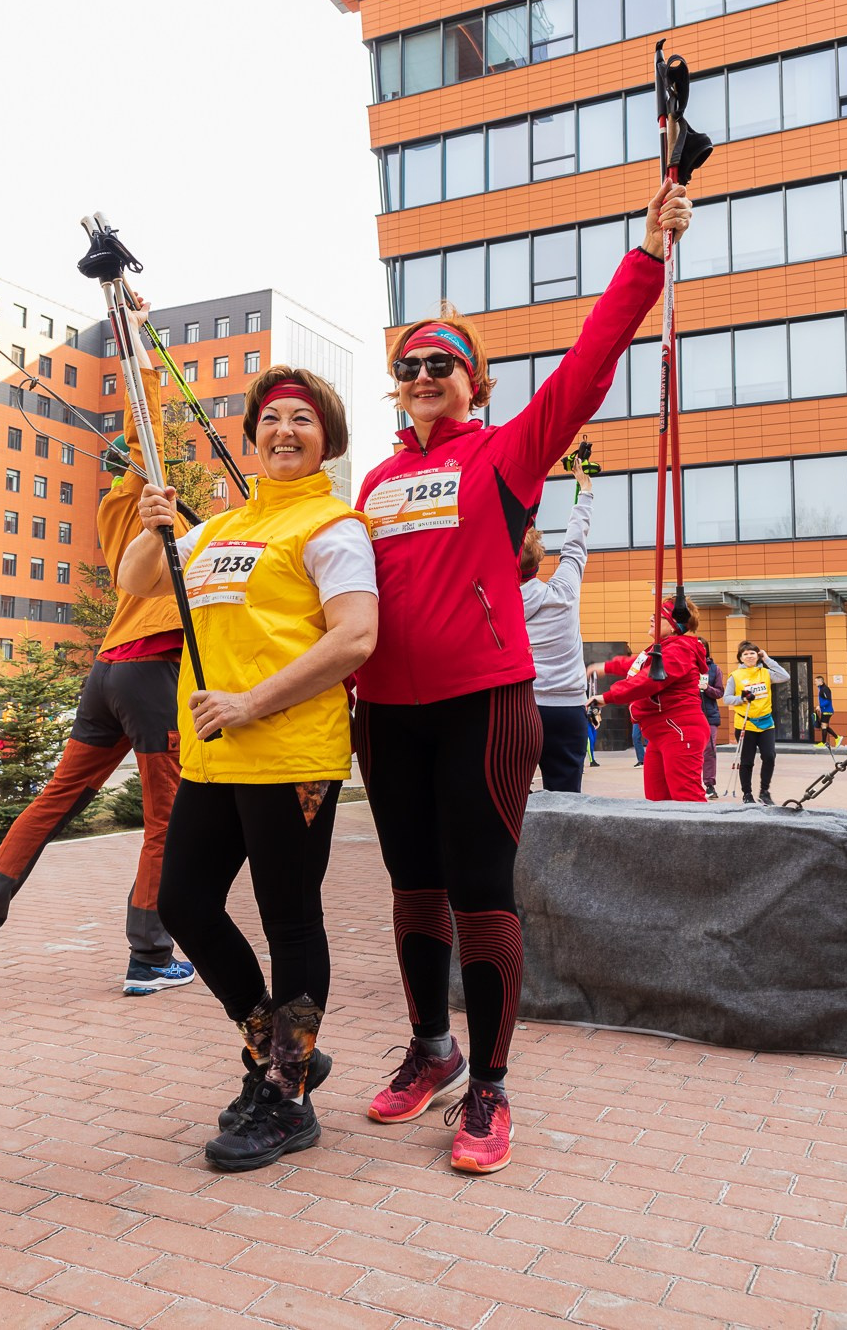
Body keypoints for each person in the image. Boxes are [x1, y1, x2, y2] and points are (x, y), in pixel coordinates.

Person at [353, 180, 693, 1174]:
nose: (423, 375)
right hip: (386, 714)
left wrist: (645, 257)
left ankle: (490, 1089)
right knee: (412, 893)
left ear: (474, 386)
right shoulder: (370, 484)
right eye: (410, 365)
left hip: (484, 708)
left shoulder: (504, 454)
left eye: (442, 365)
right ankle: (431, 1050)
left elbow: (587, 373)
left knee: (480, 894)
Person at [120, 365, 378, 1173]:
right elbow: (136, 586)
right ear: (253, 438)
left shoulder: (333, 527)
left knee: (289, 921)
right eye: (270, 420)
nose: (284, 432)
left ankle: (289, 1095)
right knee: (185, 904)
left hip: (289, 752)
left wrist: (251, 702)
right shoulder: (221, 528)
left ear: (327, 439)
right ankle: (278, 1045)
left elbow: (355, 639)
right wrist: (148, 521)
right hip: (215, 754)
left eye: (302, 419)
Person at [0, 337, 196, 994]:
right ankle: (150, 954)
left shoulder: (111, 508)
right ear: (132, 467)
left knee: (55, 799)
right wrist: (142, 349)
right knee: (166, 818)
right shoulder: (142, 495)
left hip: (106, 670)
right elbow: (149, 426)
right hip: (152, 672)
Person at [518, 456, 593, 792]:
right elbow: (575, 544)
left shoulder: (496, 606)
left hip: (519, 710)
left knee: (512, 796)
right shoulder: (563, 591)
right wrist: (585, 491)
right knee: (567, 799)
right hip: (566, 710)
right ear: (540, 559)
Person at [588, 596, 709, 804]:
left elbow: (649, 680)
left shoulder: (679, 649)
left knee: (687, 799)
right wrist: (606, 667)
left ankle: (705, 837)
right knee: (657, 799)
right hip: (660, 731)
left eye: (660, 615)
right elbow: (636, 664)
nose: (652, 617)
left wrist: (606, 697)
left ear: (673, 626)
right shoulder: (661, 649)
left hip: (678, 729)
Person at [723, 642, 790, 805]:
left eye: (752, 653)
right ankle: (747, 794)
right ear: (740, 658)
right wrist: (742, 699)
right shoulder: (735, 676)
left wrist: (767, 659)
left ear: (757, 655)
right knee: (747, 761)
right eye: (745, 654)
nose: (749, 656)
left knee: (769, 756)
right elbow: (726, 698)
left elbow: (785, 676)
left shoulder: (765, 672)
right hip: (746, 723)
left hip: (766, 722)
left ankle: (764, 791)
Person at [700, 640, 724, 800]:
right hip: (687, 715)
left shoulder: (714, 669)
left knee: (709, 750)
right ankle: (690, 783)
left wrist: (706, 688)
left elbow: (719, 692)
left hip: (709, 716)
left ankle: (709, 784)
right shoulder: (685, 666)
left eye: (703, 647)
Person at [815, 675, 843, 748]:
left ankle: (824, 742)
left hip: (827, 710)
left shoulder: (825, 689)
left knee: (823, 726)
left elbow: (828, 700)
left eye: (816, 681)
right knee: (824, 726)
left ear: (821, 682)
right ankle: (837, 738)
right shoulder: (822, 689)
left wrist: (820, 706)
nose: (815, 683)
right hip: (825, 710)